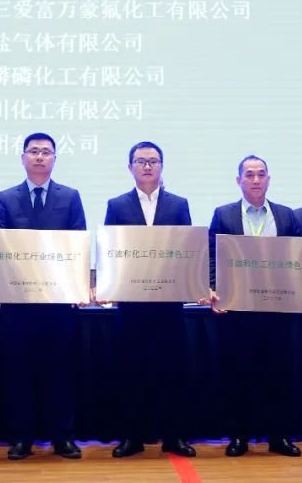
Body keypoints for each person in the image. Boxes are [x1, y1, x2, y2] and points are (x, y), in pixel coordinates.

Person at [0, 133, 86, 461]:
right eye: (34, 151)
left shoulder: (70, 197)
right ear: (23, 158)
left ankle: (63, 437)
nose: (40, 157)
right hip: (18, 303)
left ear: (55, 159)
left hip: (58, 301)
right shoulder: (6, 198)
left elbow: (78, 243)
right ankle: (22, 438)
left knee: (59, 371)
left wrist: (78, 285)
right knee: (19, 372)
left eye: (46, 152)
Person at [104, 141, 196, 459]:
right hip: (131, 305)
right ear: (129, 167)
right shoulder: (117, 205)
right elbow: (111, 251)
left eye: (153, 161)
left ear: (161, 166)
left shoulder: (179, 204)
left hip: (169, 304)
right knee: (131, 370)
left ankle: (174, 436)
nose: (147, 166)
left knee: (172, 371)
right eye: (140, 161)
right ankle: (133, 437)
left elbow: (187, 250)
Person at [207, 155, 302, 458]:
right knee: (239, 373)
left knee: (279, 373)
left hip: (278, 309)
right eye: (249, 174)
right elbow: (211, 255)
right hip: (238, 309)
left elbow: (300, 259)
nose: (256, 179)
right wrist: (215, 288)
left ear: (269, 179)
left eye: (261, 174)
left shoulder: (286, 215)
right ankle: (239, 436)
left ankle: (279, 436)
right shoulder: (223, 214)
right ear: (239, 180)